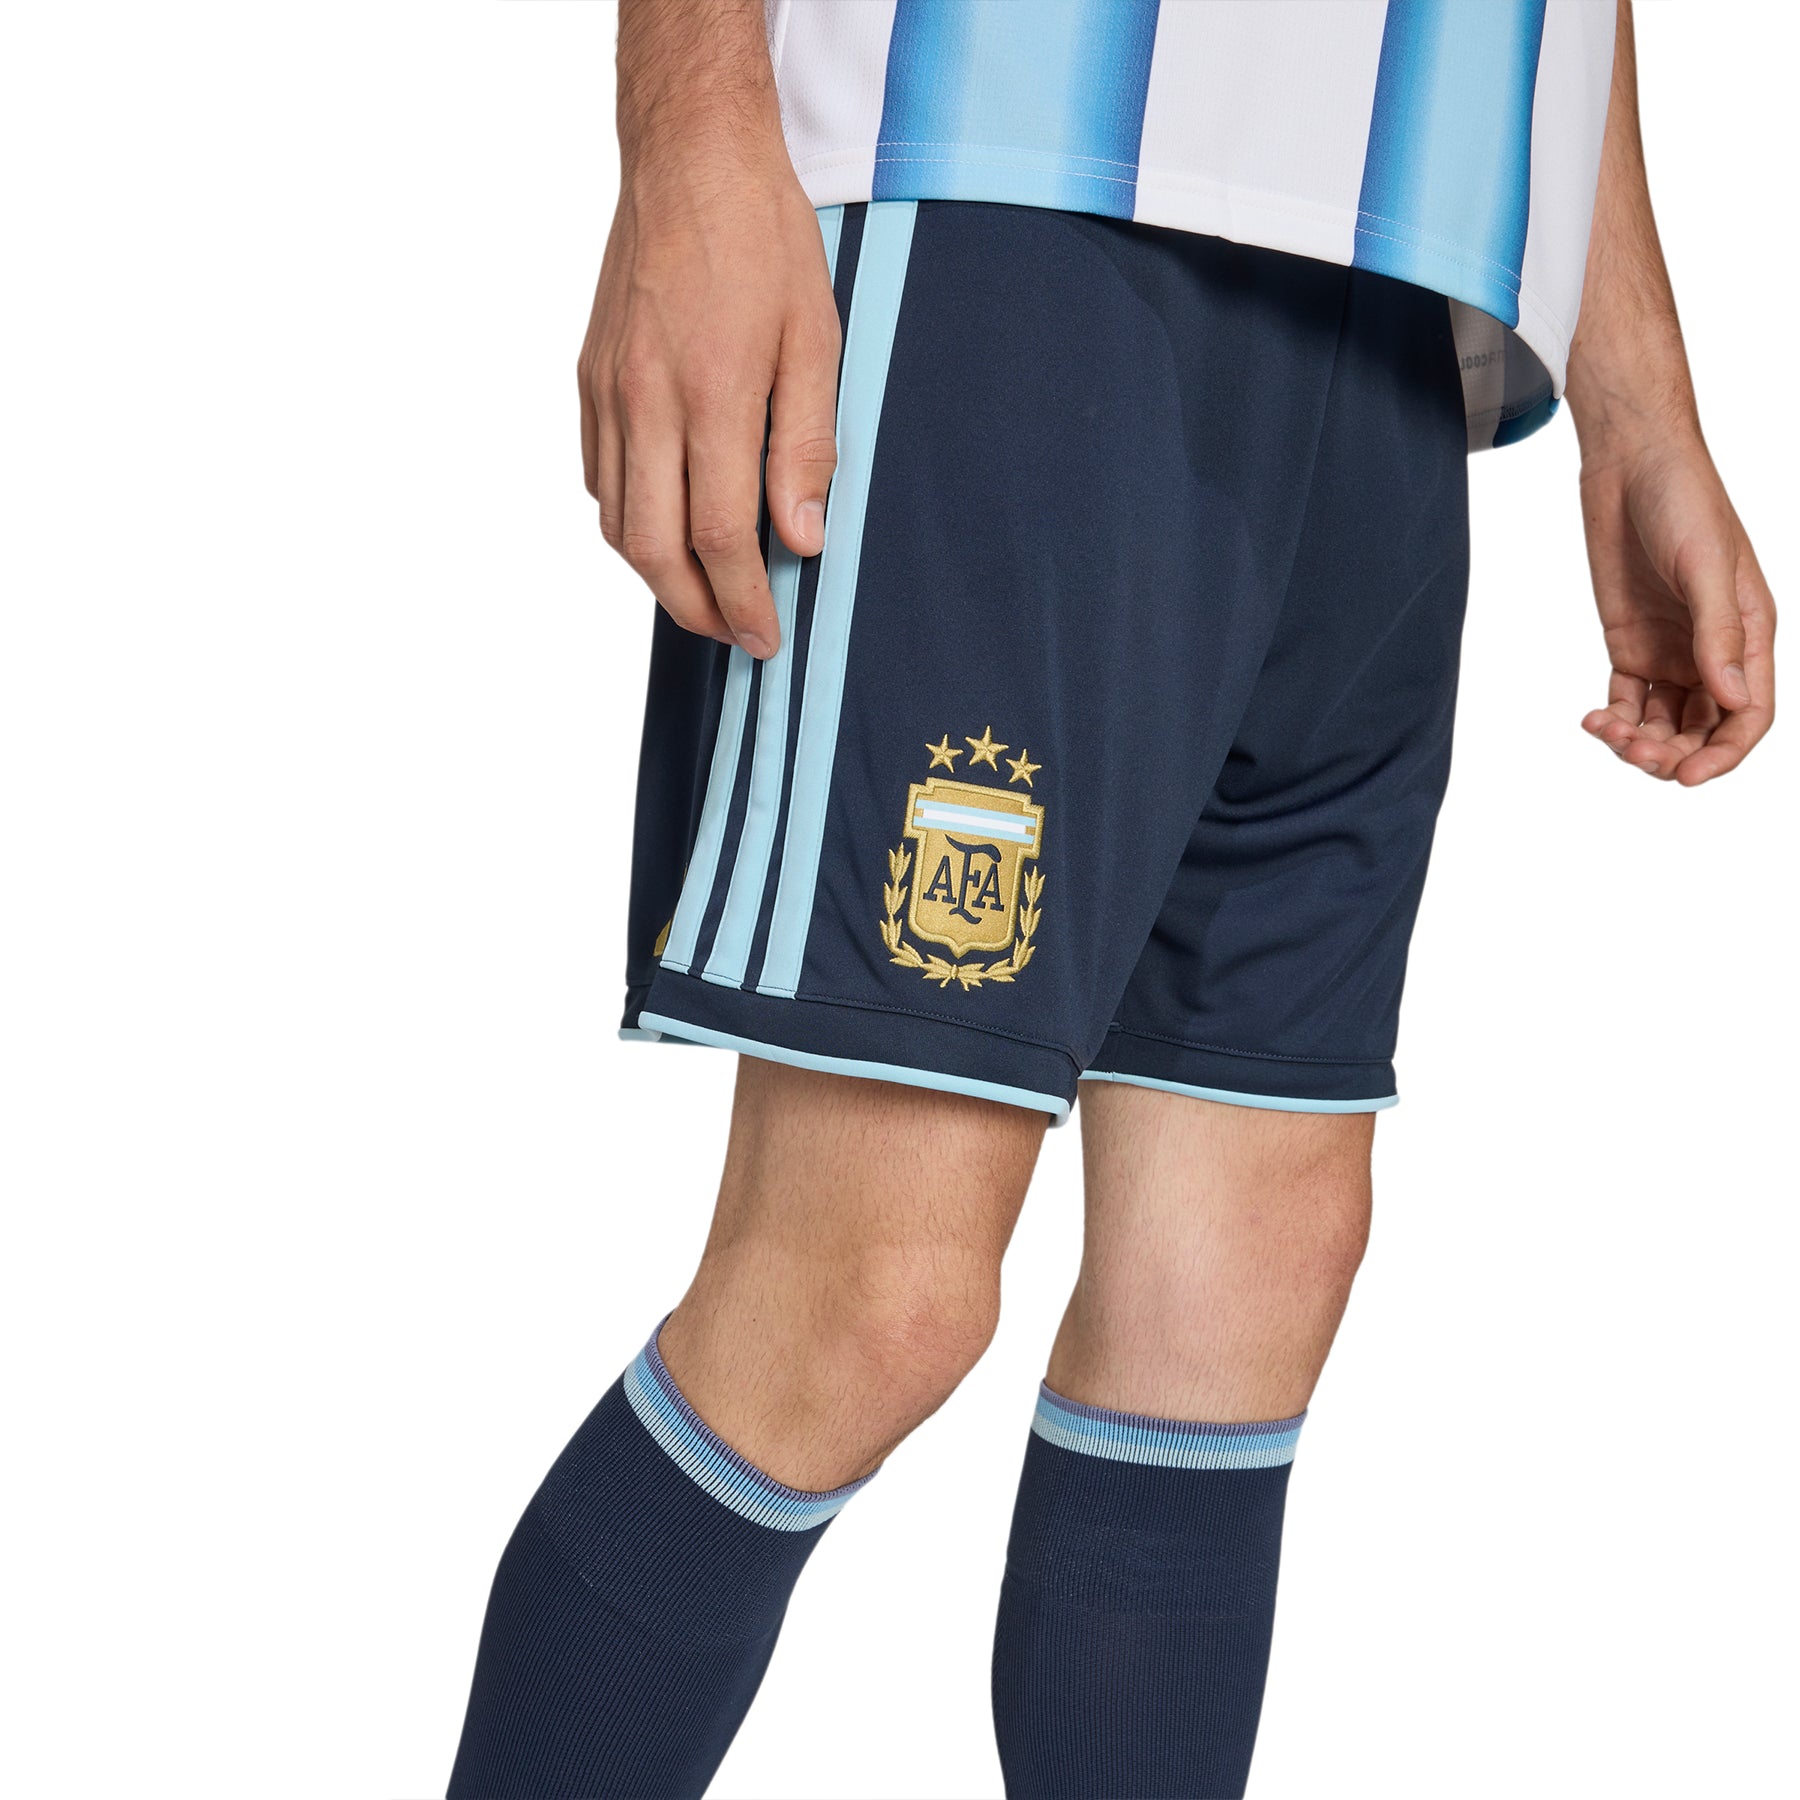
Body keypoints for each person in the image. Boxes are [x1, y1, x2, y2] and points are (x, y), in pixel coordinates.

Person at [446, 3, 1777, 1796]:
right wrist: (687, 139)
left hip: (1407, 275)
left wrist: (1640, 400)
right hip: (998, 169)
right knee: (865, 1299)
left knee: (1246, 1279)